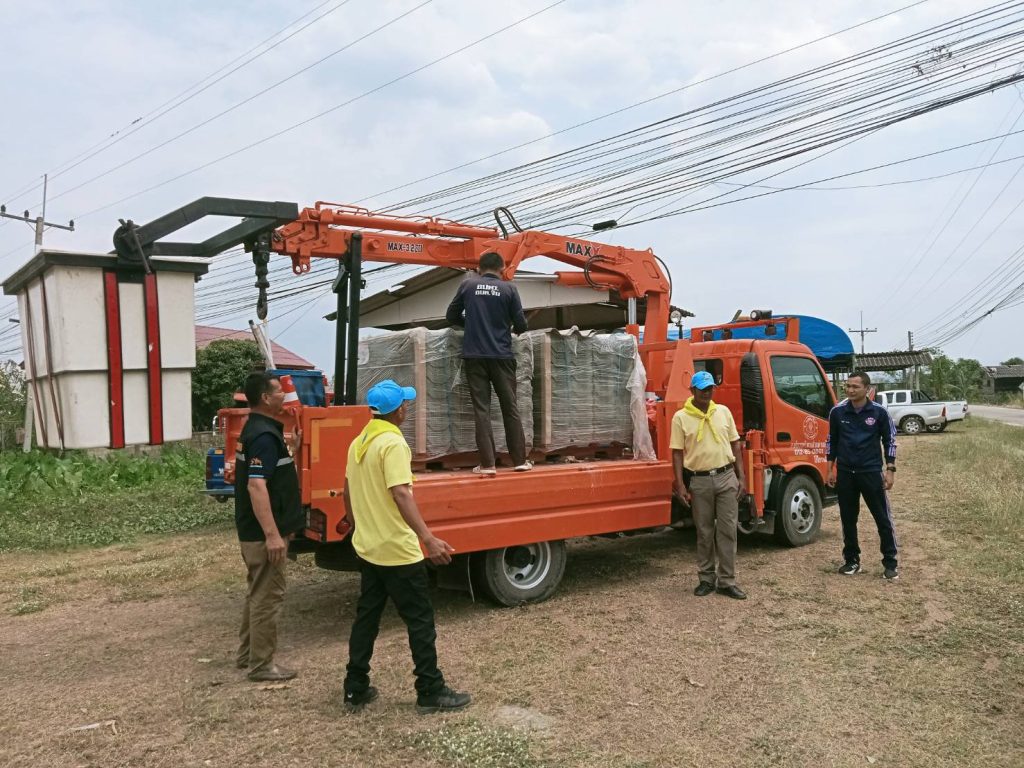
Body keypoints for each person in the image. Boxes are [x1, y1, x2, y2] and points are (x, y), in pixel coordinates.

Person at [342, 380, 472, 714]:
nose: (407, 408)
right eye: (405, 404)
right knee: (420, 621)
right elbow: (400, 493)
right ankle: (430, 689)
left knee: (367, 619)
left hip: (369, 549)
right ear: (398, 410)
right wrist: (428, 538)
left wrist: (358, 527)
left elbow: (347, 489)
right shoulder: (393, 443)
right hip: (398, 552)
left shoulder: (359, 442)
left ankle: (355, 687)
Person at [234, 371, 304, 682]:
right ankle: (262, 665)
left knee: (257, 591)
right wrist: (273, 535)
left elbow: (270, 473)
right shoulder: (263, 435)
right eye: (278, 391)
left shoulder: (258, 430)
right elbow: (256, 485)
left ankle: (247, 655)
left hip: (254, 531)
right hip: (263, 535)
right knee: (268, 596)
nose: (283, 395)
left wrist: (293, 450)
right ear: (265, 397)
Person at [445, 252, 532, 475]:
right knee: (510, 408)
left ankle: (487, 465)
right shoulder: (510, 289)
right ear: (502, 269)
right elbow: (521, 325)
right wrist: (508, 328)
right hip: (502, 357)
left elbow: (451, 316)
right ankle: (520, 461)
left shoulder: (468, 285)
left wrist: (471, 325)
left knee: (481, 410)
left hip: (474, 356)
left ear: (479, 269)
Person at [671, 370, 748, 600]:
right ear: (692, 390)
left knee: (728, 530)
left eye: (710, 388)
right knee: (704, 532)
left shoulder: (723, 412)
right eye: (702, 389)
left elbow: (736, 445)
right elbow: (677, 453)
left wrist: (741, 477)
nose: (707, 393)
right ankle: (706, 578)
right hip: (700, 480)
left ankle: (727, 581)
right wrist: (680, 484)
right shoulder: (680, 418)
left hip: (726, 476)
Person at [826, 371, 899, 580]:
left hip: (871, 472)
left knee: (882, 518)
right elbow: (831, 441)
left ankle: (890, 563)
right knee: (848, 519)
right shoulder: (837, 412)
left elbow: (890, 441)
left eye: (855, 387)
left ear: (867, 389)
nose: (850, 390)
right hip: (846, 474)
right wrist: (830, 469)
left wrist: (890, 470)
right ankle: (852, 561)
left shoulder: (879, 412)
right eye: (848, 386)